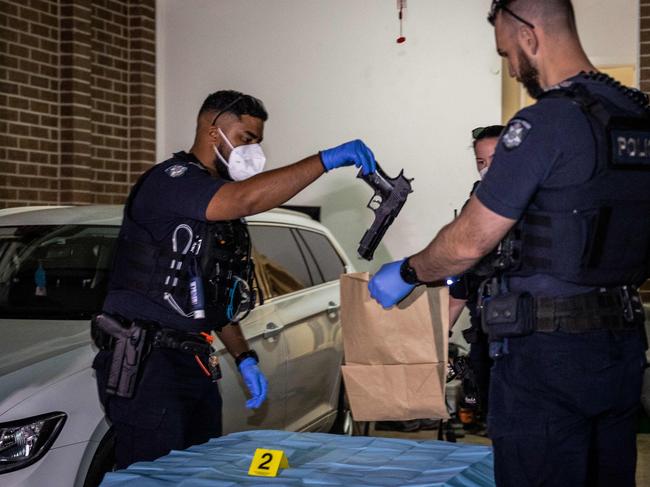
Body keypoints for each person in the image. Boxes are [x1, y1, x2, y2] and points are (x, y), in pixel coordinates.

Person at [368, 1, 650, 485]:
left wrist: (410, 270)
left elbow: (470, 239)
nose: (513, 69)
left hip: (547, 356)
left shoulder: (546, 122)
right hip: (621, 350)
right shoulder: (636, 116)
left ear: (527, 35)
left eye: (506, 53)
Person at [91, 90, 377, 469]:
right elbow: (245, 199)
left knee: (198, 473)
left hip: (192, 359)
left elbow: (212, 294)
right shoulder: (172, 182)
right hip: (149, 366)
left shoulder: (216, 203)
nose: (253, 151)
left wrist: (244, 357)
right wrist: (324, 161)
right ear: (214, 132)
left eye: (258, 141)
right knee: (152, 476)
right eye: (246, 138)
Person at [448, 124, 503, 433]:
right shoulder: (475, 208)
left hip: (533, 344)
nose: (487, 169)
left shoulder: (544, 206)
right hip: (487, 337)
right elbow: (462, 282)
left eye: (495, 159)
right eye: (481, 162)